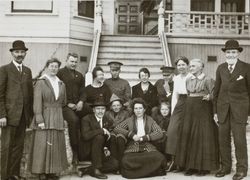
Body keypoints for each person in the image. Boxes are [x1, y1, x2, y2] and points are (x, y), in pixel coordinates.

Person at [175, 59, 219, 176]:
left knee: (202, 137)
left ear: (201, 67)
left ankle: (204, 168)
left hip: (203, 110)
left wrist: (210, 97)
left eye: (193, 66)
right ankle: (191, 166)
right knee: (189, 136)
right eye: (190, 66)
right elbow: (189, 94)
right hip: (190, 110)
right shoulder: (188, 79)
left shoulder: (208, 79)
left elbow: (215, 94)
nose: (191, 68)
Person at [213, 39, 250, 180]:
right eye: (228, 52)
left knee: (240, 140)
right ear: (225, 53)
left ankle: (241, 169)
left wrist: (249, 114)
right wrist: (215, 112)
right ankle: (225, 167)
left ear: (238, 53)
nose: (230, 54)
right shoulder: (221, 68)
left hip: (239, 111)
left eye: (233, 52)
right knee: (223, 140)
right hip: (222, 110)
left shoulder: (246, 68)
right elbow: (216, 91)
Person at [29, 58, 68, 180]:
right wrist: (39, 119)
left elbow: (63, 102)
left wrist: (59, 115)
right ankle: (41, 172)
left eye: (56, 66)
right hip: (44, 116)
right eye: (51, 66)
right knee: (42, 145)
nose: (54, 68)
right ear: (47, 67)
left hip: (57, 117)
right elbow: (37, 102)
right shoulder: (41, 82)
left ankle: (52, 172)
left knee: (55, 145)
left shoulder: (61, 83)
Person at [0, 40, 33, 180]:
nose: (20, 54)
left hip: (23, 117)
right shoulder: (4, 69)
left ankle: (14, 174)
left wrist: (29, 116)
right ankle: (4, 176)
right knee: (6, 148)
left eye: (22, 52)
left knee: (18, 148)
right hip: (8, 116)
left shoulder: (27, 71)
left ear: (25, 53)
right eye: (17, 52)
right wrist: (2, 115)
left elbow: (30, 95)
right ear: (12, 53)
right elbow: (0, 94)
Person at [114, 98, 166, 179]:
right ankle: (152, 172)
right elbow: (117, 128)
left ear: (144, 109)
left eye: (140, 108)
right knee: (126, 161)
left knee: (160, 158)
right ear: (133, 110)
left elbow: (159, 133)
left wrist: (144, 138)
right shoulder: (130, 120)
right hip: (133, 146)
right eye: (136, 108)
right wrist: (131, 135)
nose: (138, 110)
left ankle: (136, 173)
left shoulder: (149, 120)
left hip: (147, 146)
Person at [80, 97, 119, 179]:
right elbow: (85, 136)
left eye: (102, 109)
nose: (100, 111)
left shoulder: (107, 120)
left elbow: (107, 137)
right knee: (99, 137)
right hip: (88, 150)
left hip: (99, 151)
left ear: (105, 110)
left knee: (115, 165)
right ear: (93, 110)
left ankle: (87, 169)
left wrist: (105, 148)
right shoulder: (86, 119)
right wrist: (101, 130)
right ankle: (96, 169)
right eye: (98, 109)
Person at [57, 52, 85, 165]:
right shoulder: (60, 73)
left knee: (90, 116)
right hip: (64, 106)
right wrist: (67, 104)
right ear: (67, 61)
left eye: (75, 62)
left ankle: (89, 151)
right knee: (74, 121)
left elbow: (83, 91)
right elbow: (57, 92)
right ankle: (75, 153)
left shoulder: (79, 75)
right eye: (71, 61)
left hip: (78, 104)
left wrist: (81, 101)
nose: (74, 64)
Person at [165, 56, 192, 172]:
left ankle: (185, 163)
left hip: (190, 103)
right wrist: (173, 112)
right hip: (179, 104)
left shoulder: (192, 77)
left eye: (183, 64)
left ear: (187, 65)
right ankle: (174, 161)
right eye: (179, 65)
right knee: (172, 131)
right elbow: (175, 95)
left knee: (186, 132)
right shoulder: (176, 78)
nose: (181, 67)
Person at [105, 94, 130, 163]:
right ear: (111, 106)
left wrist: (118, 129)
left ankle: (122, 163)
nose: (116, 107)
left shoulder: (125, 113)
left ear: (121, 105)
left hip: (123, 132)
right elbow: (106, 125)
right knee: (112, 138)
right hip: (111, 132)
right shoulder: (107, 114)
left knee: (120, 139)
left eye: (118, 105)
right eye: (114, 106)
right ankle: (114, 163)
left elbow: (128, 125)